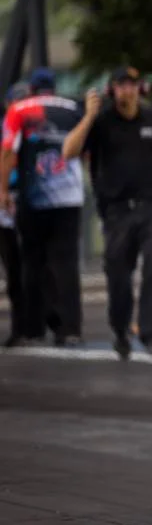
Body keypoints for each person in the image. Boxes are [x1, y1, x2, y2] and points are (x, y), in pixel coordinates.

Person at [62, 67, 152, 358]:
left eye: (131, 85)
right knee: (119, 275)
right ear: (112, 91)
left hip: (151, 206)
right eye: (120, 86)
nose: (126, 91)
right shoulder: (101, 122)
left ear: (139, 88)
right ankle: (120, 330)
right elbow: (68, 152)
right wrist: (89, 116)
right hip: (117, 212)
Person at [0, 68, 86, 347]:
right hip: (68, 196)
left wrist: (3, 190)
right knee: (65, 265)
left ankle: (32, 327)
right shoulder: (73, 108)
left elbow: (8, 152)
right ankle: (69, 327)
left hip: (31, 198)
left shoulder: (18, 112)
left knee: (30, 264)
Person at [0, 83, 29, 347]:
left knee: (21, 268)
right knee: (14, 267)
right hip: (8, 202)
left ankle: (24, 327)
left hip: (23, 201)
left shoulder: (33, 129)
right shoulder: (8, 126)